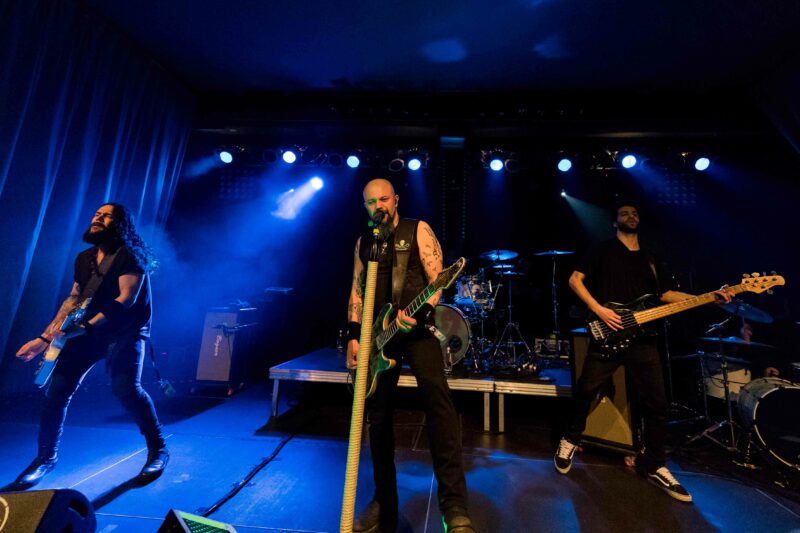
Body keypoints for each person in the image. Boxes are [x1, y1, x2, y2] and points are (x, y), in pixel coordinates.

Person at [554, 201, 733, 503]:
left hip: (643, 338)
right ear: (615, 222)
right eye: (624, 213)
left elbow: (666, 295)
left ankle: (654, 463)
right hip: (609, 332)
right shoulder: (602, 250)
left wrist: (708, 298)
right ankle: (570, 438)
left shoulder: (650, 257)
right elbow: (575, 280)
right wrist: (598, 309)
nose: (631, 216)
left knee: (658, 403)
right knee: (586, 389)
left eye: (635, 213)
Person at [346, 179, 474, 532]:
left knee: (439, 404)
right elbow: (357, 290)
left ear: (396, 200)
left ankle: (454, 506)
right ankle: (384, 502)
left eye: (384, 199)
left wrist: (420, 312)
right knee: (378, 420)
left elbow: (437, 280)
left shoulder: (417, 230)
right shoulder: (364, 242)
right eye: (371, 202)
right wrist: (355, 337)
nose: (378, 206)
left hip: (417, 330)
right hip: (378, 337)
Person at [15, 203, 168, 488]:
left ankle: (158, 449)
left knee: (126, 389)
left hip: (125, 331)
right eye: (97, 214)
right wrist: (44, 339)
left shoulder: (130, 254)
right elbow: (74, 300)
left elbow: (126, 299)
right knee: (56, 392)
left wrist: (85, 326)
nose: (98, 218)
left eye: (106, 215)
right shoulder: (84, 258)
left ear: (120, 224)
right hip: (88, 331)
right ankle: (45, 458)